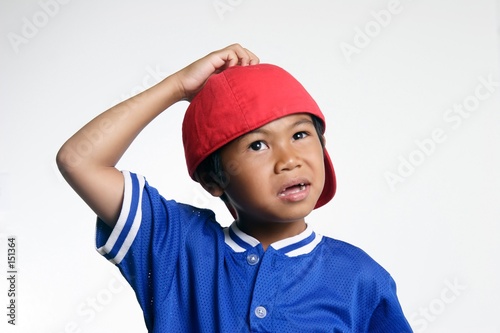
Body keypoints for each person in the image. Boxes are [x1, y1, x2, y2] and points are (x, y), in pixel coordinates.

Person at [56, 44, 412, 332]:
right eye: (257, 145)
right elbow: (79, 160)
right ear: (213, 179)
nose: (289, 159)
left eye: (300, 134)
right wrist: (178, 86)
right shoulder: (176, 246)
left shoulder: (360, 278)